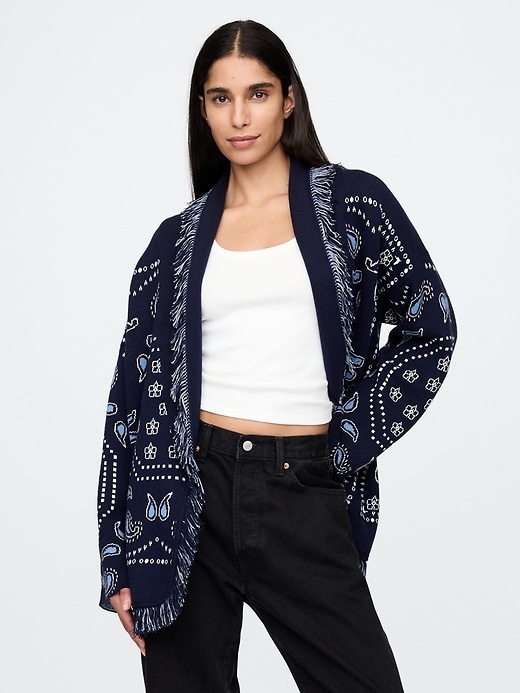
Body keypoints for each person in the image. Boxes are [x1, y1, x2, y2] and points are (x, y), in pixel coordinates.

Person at [97, 19, 457, 693]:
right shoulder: (173, 243)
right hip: (188, 496)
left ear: (288, 100)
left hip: (301, 488)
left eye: (257, 94)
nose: (239, 117)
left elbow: (431, 326)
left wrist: (347, 438)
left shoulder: (353, 206)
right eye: (221, 97)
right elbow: (129, 401)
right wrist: (116, 553)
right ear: (202, 109)